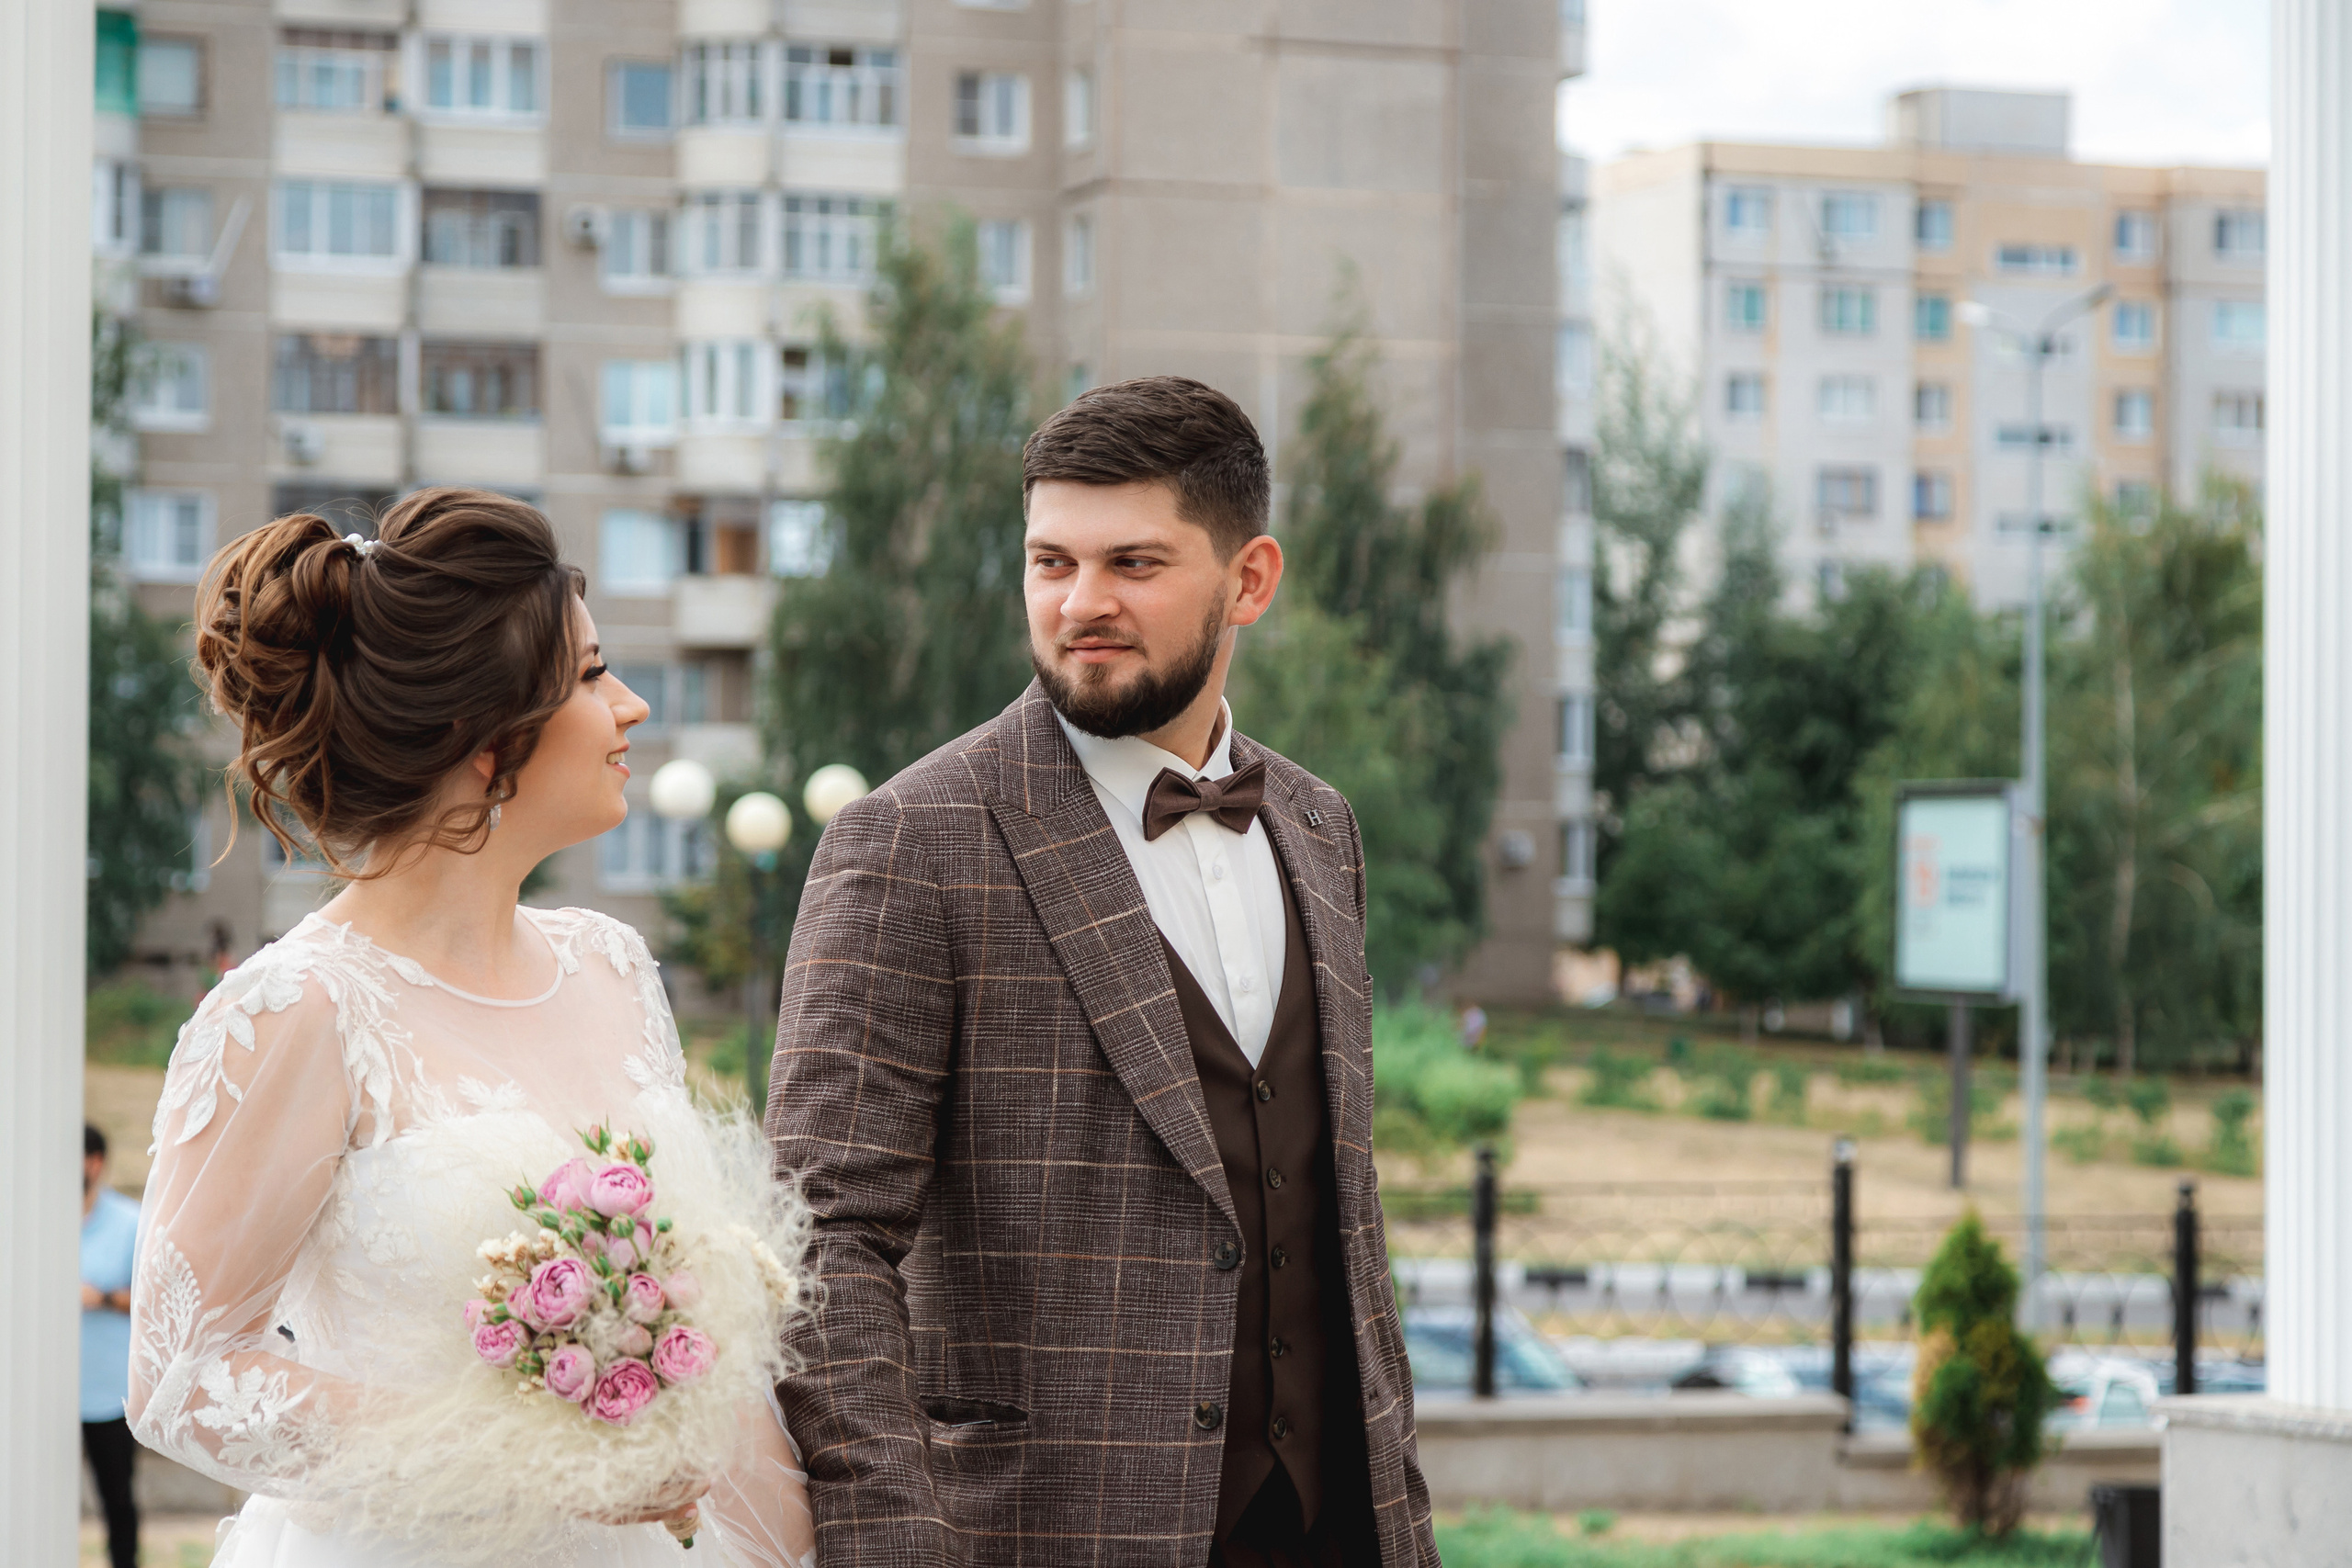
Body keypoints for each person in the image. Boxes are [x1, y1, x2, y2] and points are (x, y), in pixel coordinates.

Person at [768, 377, 1438, 1567]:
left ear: (1250, 579)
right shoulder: (914, 837)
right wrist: (896, 1542)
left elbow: (1332, 1199)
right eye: (1050, 562)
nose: (1082, 603)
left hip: (1337, 1521)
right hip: (1041, 1529)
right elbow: (823, 1241)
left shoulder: (1320, 825)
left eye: (1133, 562)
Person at [128, 490, 814, 1568]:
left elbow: (713, 1367)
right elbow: (182, 1382)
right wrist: (529, 1455)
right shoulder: (300, 1008)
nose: (630, 706)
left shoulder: (614, 966)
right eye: (591, 676)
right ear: (485, 739)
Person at [82, 1122, 141, 1568]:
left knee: (118, 1502)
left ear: (94, 1163)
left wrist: (100, 1297)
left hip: (109, 1395)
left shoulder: (130, 1222)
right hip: (45, 1396)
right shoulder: (30, 1219)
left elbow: (153, 1301)